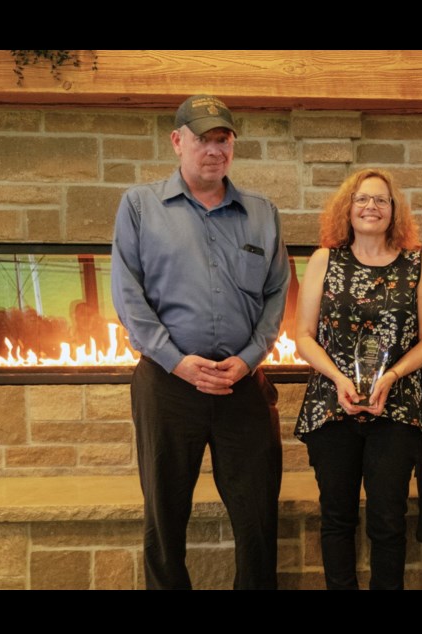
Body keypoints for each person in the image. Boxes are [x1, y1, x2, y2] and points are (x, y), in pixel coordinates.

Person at [111, 95, 289, 590]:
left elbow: (277, 293)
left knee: (256, 516)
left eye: (223, 139)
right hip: (168, 386)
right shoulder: (140, 205)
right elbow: (128, 295)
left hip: (243, 384)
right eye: (203, 139)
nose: (214, 149)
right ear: (177, 142)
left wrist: (251, 357)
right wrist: (176, 361)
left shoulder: (261, 212)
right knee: (164, 516)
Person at [294, 168, 422, 590]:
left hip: (395, 407)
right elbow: (302, 335)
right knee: (337, 517)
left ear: (394, 211)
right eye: (362, 199)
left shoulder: (417, 264)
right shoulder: (326, 259)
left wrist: (391, 376)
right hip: (331, 405)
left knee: (388, 520)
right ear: (348, 207)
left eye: (380, 200)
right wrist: (339, 379)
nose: (371, 207)